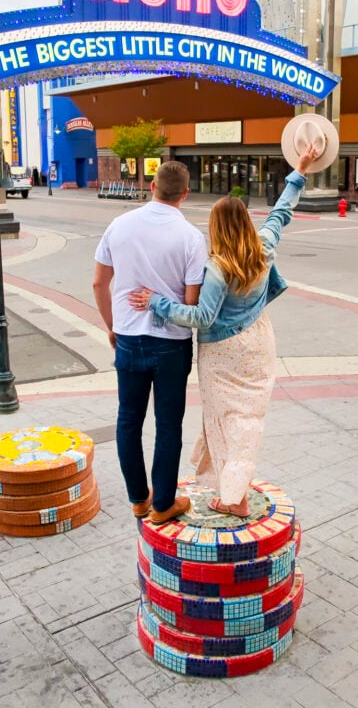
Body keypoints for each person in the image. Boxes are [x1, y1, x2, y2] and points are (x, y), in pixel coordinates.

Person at [129, 144, 319, 518]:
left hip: (221, 352)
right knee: (248, 416)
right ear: (246, 222)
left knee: (224, 418)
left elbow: (201, 317)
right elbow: (282, 211)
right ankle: (236, 490)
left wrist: (156, 302)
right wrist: (300, 168)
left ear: (216, 228)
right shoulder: (262, 248)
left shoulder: (216, 267)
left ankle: (232, 496)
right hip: (259, 341)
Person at [93, 161, 207, 525]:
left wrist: (112, 326)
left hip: (128, 337)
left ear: (152, 185)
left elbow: (99, 284)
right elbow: (191, 304)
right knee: (168, 424)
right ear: (185, 194)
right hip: (171, 343)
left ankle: (139, 500)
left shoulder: (119, 225)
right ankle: (164, 505)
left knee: (128, 419)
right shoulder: (191, 237)